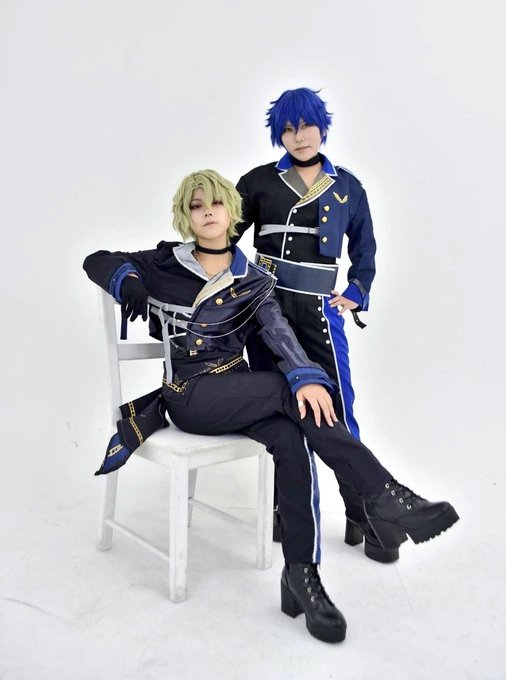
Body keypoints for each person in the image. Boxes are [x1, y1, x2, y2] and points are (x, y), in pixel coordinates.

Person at [83, 169, 458, 644]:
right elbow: (96, 259)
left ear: (231, 212)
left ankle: (301, 575)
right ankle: (384, 495)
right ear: (186, 216)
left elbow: (280, 333)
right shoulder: (164, 262)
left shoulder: (255, 279)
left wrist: (306, 376)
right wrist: (129, 281)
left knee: (292, 435)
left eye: (215, 203)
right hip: (188, 396)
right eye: (196, 206)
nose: (207, 212)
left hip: (235, 392)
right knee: (289, 392)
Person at [234, 87, 386, 561]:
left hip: (321, 310)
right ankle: (287, 508)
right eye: (287, 129)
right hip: (266, 309)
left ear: (322, 127)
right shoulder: (257, 182)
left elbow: (364, 248)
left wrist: (356, 291)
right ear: (278, 135)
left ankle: (364, 512)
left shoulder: (348, 187)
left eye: (305, 126)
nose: (298, 136)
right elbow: (222, 237)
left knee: (337, 410)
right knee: (279, 409)